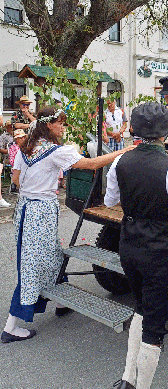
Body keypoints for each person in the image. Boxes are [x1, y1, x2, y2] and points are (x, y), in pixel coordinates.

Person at [1, 106, 134, 344]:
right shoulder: (55, 151)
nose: (63, 127)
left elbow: (16, 180)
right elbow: (93, 164)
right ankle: (11, 326)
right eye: (60, 123)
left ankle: (61, 302)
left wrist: (35, 186)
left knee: (51, 255)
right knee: (31, 266)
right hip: (41, 210)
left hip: (25, 209)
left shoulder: (25, 148)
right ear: (49, 125)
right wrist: (123, 151)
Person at [105, 102, 168, 389]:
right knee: (155, 323)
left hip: (128, 245)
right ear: (166, 134)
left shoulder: (119, 161)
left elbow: (111, 201)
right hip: (157, 250)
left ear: (135, 131)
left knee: (141, 308)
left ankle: (129, 379)